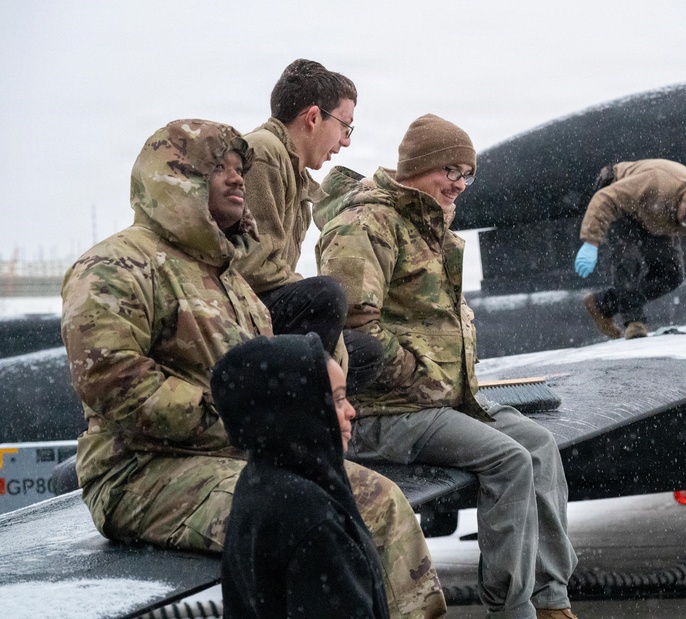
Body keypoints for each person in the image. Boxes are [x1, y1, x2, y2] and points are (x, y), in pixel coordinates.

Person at [61, 119, 446, 619]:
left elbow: (271, 366)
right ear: (175, 178)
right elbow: (114, 386)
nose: (237, 178)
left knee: (379, 501)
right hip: (143, 471)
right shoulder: (115, 265)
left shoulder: (228, 276)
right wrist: (244, 422)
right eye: (217, 167)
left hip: (239, 457)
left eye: (239, 168)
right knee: (324, 513)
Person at [318, 114, 580, 619]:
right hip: (387, 410)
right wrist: (421, 375)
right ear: (417, 167)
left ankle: (552, 601)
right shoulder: (365, 224)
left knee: (540, 446)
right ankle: (513, 609)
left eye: (467, 174)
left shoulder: (428, 225)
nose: (459, 184)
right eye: (449, 170)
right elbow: (354, 331)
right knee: (508, 461)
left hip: (439, 399)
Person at [214, 333, 390, 619]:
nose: (351, 411)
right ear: (297, 411)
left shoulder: (259, 481)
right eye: (337, 399)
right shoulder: (312, 519)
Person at [233, 58, 382, 394]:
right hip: (237, 315)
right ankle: (296, 421)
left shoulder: (294, 172)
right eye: (346, 127)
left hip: (261, 314)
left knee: (369, 354)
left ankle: (309, 408)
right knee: (325, 296)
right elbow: (251, 268)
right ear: (314, 117)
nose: (346, 142)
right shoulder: (264, 152)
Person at [573, 158, 686, 339]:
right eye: (684, 222)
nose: (685, 228)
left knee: (671, 274)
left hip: (657, 215)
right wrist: (590, 241)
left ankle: (602, 305)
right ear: (684, 202)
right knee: (628, 259)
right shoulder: (656, 181)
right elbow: (605, 199)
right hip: (623, 198)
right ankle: (634, 322)